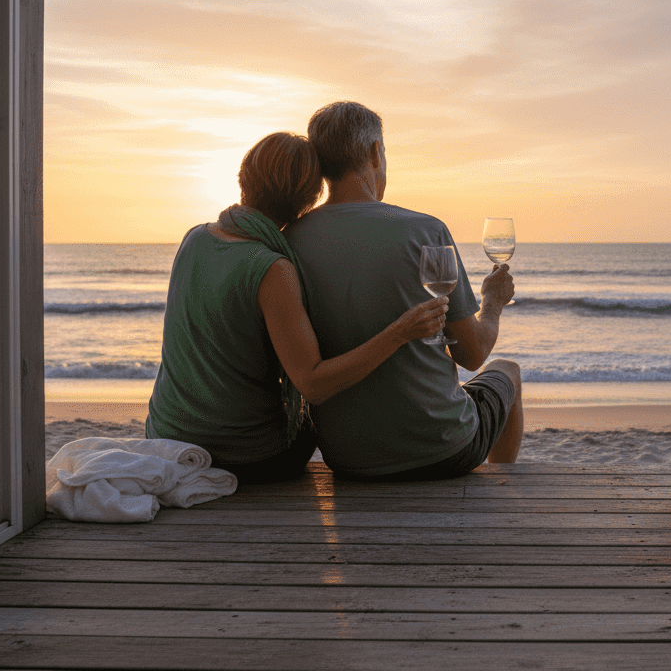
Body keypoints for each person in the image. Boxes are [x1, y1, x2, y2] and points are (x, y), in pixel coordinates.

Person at [144, 132, 450, 483]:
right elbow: (313, 384)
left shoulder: (195, 237)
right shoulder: (272, 268)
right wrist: (400, 332)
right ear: (308, 200)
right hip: (245, 457)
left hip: (165, 438)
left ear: (244, 175)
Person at [285, 102, 524, 480]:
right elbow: (472, 353)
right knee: (506, 371)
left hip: (347, 457)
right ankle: (501, 490)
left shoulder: (290, 240)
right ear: (373, 153)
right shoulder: (425, 231)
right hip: (442, 448)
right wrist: (492, 302)